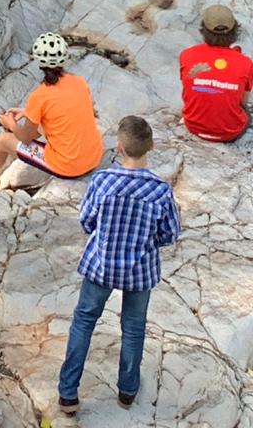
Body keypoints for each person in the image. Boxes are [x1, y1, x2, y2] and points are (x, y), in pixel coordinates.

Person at [56, 115, 180, 415]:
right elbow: (169, 233)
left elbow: (86, 220)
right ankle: (127, 390)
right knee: (133, 328)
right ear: (150, 147)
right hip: (140, 270)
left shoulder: (103, 181)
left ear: (119, 147)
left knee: (84, 321)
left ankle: (69, 394)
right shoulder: (160, 191)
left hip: (101, 264)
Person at [0, 33, 104, 192]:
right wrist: (28, 112)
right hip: (94, 156)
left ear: (39, 62)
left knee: (2, 140)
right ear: (64, 58)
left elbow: (26, 138)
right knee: (45, 126)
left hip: (69, 167)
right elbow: (63, 112)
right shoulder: (79, 82)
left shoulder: (40, 96)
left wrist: (12, 125)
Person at [179, 4, 253, 142]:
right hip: (229, 133)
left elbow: (187, 89)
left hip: (193, 127)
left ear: (203, 31)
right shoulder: (246, 63)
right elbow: (243, 101)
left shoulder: (187, 55)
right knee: (246, 113)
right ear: (235, 31)